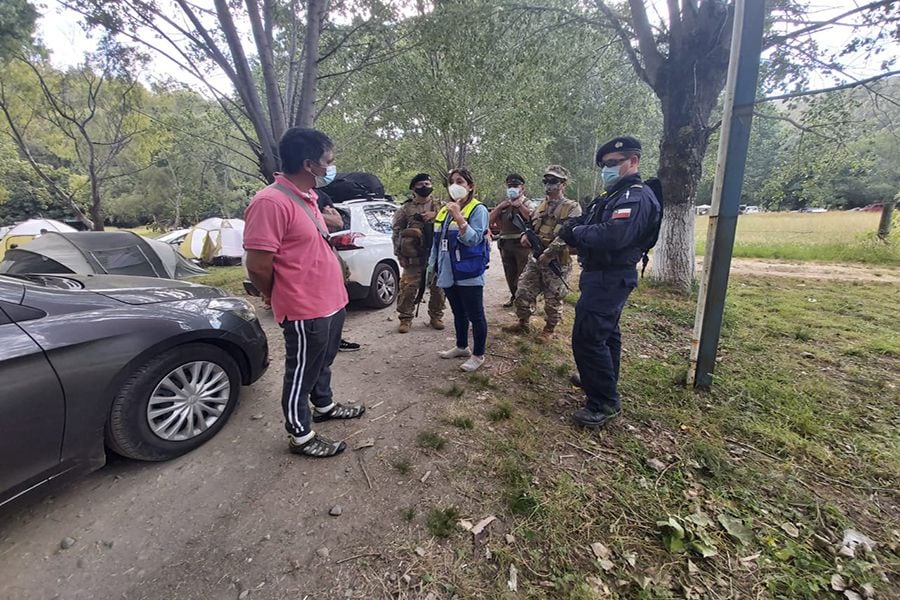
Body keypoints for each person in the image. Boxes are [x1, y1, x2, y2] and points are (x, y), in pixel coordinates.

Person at [243, 127, 366, 458]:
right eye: (328, 161)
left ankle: (323, 405)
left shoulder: (307, 198)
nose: (332, 167)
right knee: (302, 371)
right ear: (309, 164)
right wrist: (275, 294)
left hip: (331, 302)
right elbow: (257, 266)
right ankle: (300, 434)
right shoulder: (270, 202)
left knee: (323, 361)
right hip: (304, 307)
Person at [558, 136, 661, 429]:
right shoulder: (614, 194)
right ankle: (601, 380)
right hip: (601, 275)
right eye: (605, 165)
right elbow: (588, 222)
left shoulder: (636, 196)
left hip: (611, 276)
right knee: (607, 334)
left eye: (614, 164)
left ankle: (603, 402)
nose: (608, 169)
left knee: (588, 338)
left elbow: (613, 235)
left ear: (634, 161)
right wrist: (576, 228)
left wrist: (577, 233)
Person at [504, 165, 582, 337]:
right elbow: (531, 226)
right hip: (536, 258)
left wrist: (549, 253)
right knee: (522, 291)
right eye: (546, 180)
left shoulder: (572, 207)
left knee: (553, 299)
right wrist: (525, 235)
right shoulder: (540, 205)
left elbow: (568, 235)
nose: (548, 184)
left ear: (563, 184)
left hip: (556, 261)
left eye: (553, 181)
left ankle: (549, 329)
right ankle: (523, 323)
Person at [427, 168, 490, 372]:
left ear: (470, 186)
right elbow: (437, 241)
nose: (455, 185)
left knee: (475, 314)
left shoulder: (477, 209)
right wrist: (433, 266)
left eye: (460, 181)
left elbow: (473, 239)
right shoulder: (445, 210)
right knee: (458, 312)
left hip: (468, 269)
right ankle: (462, 346)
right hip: (448, 270)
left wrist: (459, 217)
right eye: (452, 181)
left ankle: (478, 355)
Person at [392, 173, 446, 333]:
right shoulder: (405, 209)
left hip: (436, 255)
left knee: (438, 288)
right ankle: (405, 318)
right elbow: (396, 232)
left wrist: (436, 216)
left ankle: (436, 316)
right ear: (413, 188)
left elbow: (454, 221)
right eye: (421, 184)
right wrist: (399, 254)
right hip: (413, 256)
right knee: (408, 288)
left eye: (428, 184)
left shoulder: (441, 206)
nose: (425, 187)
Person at [316, 190, 361, 352]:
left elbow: (338, 222)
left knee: (336, 308)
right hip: (313, 276)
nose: (331, 210)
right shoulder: (303, 213)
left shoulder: (323, 231)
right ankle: (326, 343)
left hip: (329, 258)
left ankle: (335, 340)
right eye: (327, 207)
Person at [489, 173, 533, 307]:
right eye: (509, 186)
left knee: (522, 275)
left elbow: (532, 219)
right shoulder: (504, 204)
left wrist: (519, 206)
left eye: (515, 186)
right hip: (505, 244)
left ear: (522, 188)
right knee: (510, 274)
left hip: (522, 245)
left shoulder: (527, 203)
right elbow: (489, 220)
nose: (512, 188)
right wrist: (499, 207)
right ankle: (514, 297)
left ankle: (524, 302)